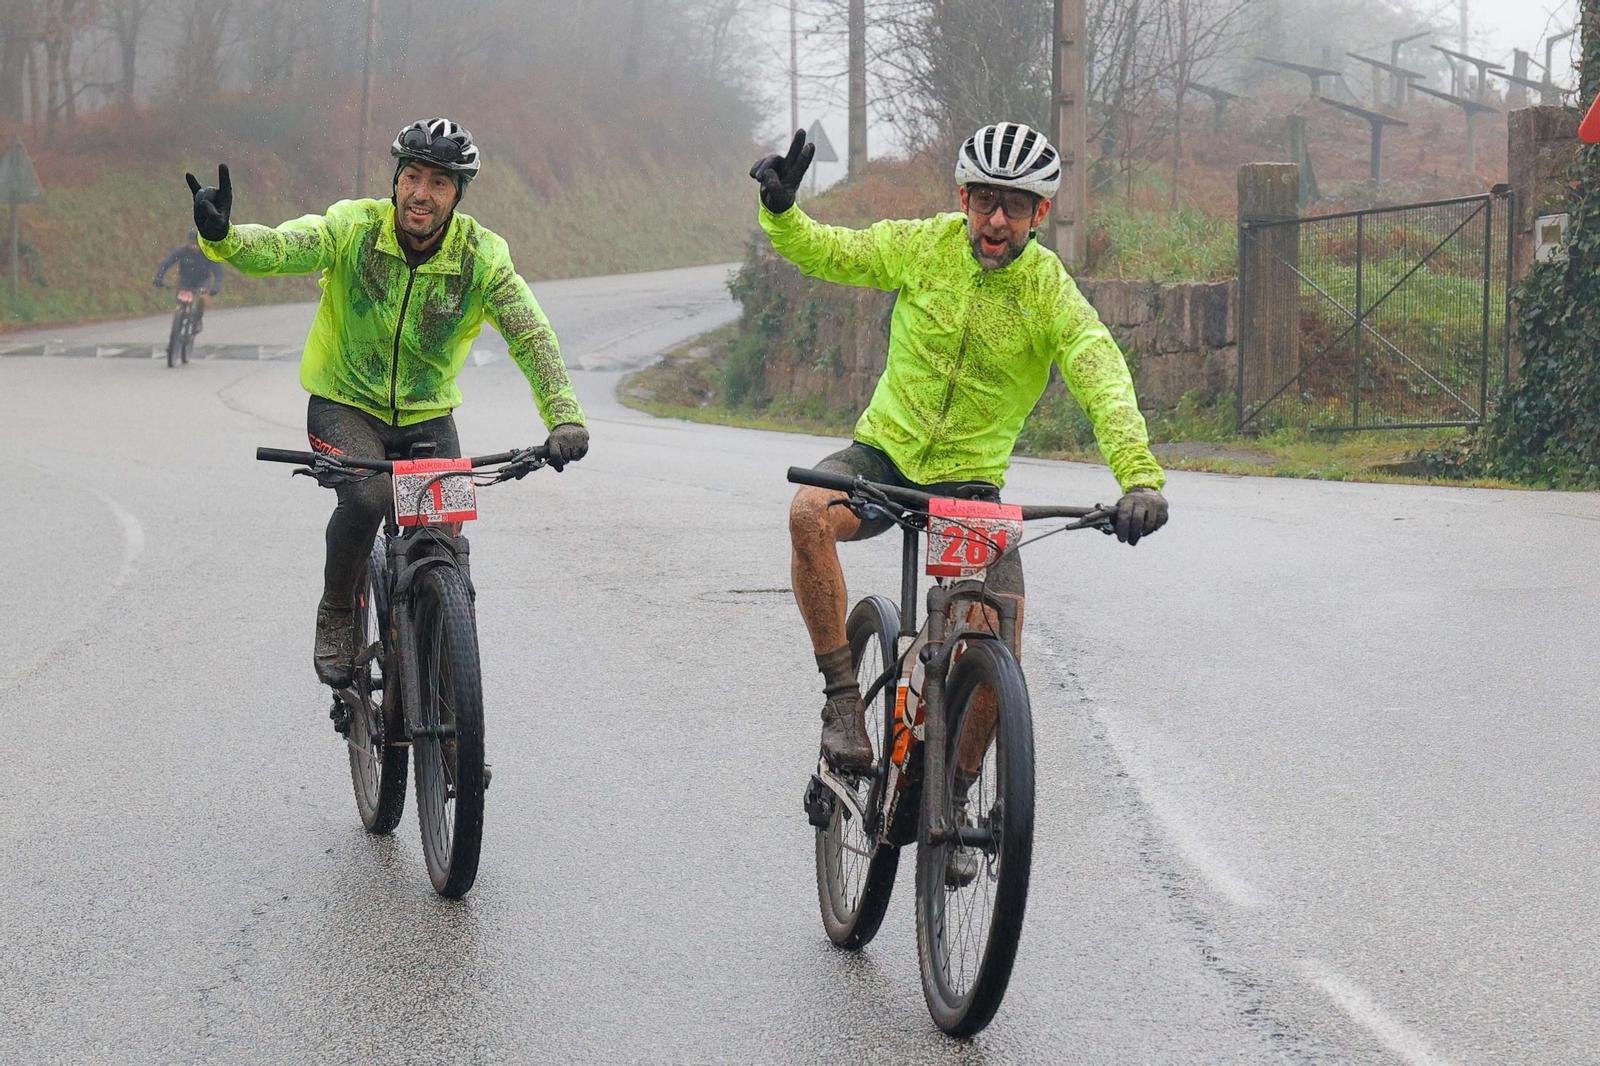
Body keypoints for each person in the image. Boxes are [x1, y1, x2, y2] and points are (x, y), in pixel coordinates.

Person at [753, 123, 1169, 774]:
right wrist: (782, 212)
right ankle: (841, 705)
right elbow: (831, 252)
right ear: (962, 197)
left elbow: (1102, 377)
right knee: (809, 514)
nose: (996, 220)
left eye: (1015, 205)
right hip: (882, 461)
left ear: (1041, 213)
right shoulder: (925, 246)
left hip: (968, 489)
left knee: (1001, 638)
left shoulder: (1048, 291)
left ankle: (957, 801)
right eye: (983, 201)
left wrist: (1139, 480)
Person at [186, 118, 590, 688]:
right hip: (344, 405)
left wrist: (564, 416)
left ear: (458, 196)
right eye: (412, 176)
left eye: (439, 183)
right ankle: (336, 613)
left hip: (428, 417)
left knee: (443, 548)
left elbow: (531, 334)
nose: (421, 193)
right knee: (370, 494)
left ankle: (453, 719)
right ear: (397, 179)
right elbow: (284, 247)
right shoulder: (353, 229)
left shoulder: (482, 257)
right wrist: (224, 237)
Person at [153, 229, 223, 332]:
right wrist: (159, 277)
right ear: (188, 242)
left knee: (203, 298)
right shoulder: (182, 251)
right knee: (181, 300)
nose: (194, 247)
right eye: (192, 244)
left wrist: (217, 284)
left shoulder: (208, 252)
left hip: (203, 281)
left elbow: (218, 270)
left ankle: (198, 319)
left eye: (197, 244)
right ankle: (180, 317)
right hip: (185, 281)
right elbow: (166, 263)